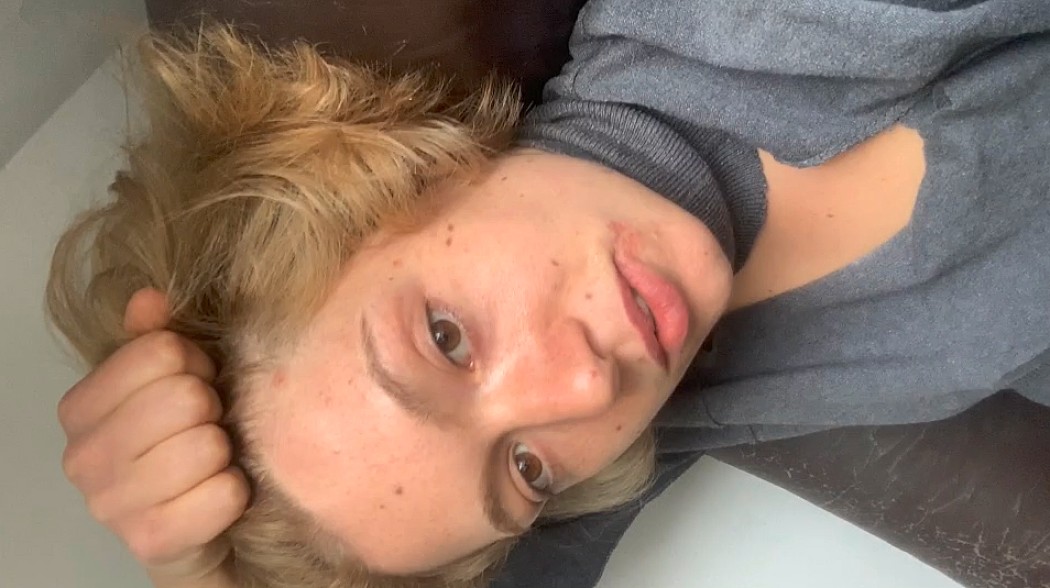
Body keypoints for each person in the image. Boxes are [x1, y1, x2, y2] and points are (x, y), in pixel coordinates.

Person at [48, 1, 1050, 588]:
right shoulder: (678, 407)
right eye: (525, 471)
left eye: (446, 338)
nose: (583, 389)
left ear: (383, 180)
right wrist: (198, 570)